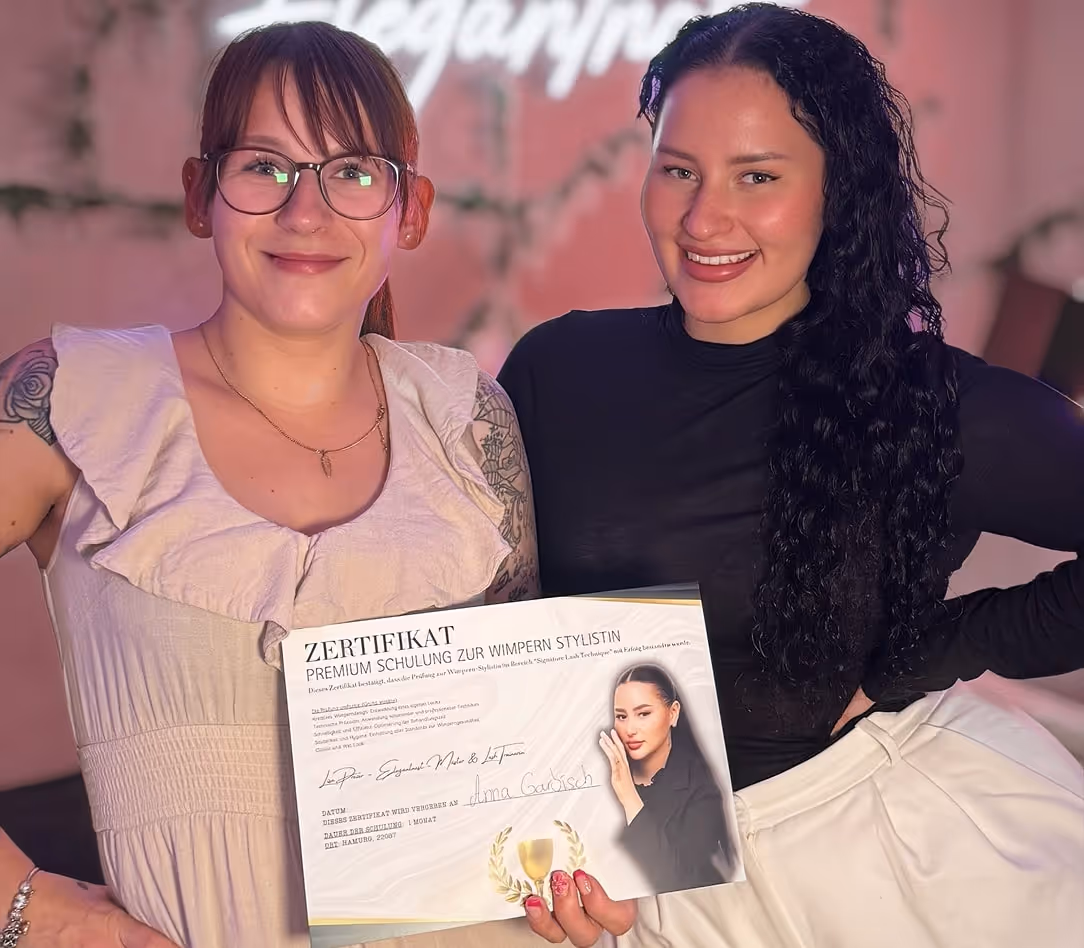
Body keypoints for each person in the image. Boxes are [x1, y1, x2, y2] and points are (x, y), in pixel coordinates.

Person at [498, 5, 1084, 947]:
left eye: (757, 177)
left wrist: (939, 648)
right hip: (632, 873)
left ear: (836, 192)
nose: (704, 217)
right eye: (678, 169)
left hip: (878, 868)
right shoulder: (557, 370)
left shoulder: (929, 403)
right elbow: (497, 631)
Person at [0, 22, 543, 948]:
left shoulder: (468, 419)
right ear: (199, 194)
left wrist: (578, 878)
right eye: (264, 166)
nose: (306, 212)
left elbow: (531, 751)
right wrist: (28, 910)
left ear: (409, 211)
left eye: (354, 173)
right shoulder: (73, 400)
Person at [600, 665, 735, 893]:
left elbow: (679, 880)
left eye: (643, 714)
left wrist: (629, 797)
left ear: (673, 713)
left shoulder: (702, 792)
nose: (630, 729)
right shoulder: (602, 774)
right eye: (621, 716)